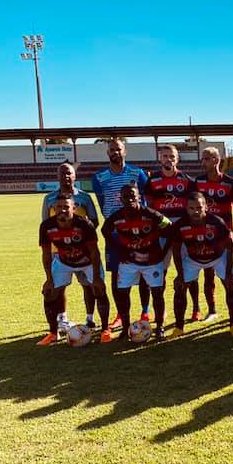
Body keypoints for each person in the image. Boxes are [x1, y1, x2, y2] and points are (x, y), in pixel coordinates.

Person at [91, 138, 149, 332]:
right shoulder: (99, 178)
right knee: (117, 274)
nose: (115, 152)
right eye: (112, 150)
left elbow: (146, 199)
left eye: (119, 149)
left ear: (125, 151)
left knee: (142, 272)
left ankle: (145, 312)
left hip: (139, 231)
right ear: (108, 153)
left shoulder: (137, 173)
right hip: (116, 233)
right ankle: (120, 314)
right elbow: (102, 204)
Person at [101, 183, 171, 341]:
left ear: (139, 196)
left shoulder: (151, 214)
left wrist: (162, 252)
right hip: (129, 261)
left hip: (151, 261)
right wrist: (119, 251)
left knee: (157, 293)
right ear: (121, 199)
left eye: (133, 195)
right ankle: (126, 328)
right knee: (122, 293)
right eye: (126, 196)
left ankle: (159, 327)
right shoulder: (116, 217)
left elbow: (170, 228)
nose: (130, 198)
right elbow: (105, 230)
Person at [37, 193, 109, 345]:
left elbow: (94, 253)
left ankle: (105, 330)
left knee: (99, 289)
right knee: (50, 293)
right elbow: (46, 254)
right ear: (53, 209)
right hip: (63, 261)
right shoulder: (46, 226)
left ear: (74, 208)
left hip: (87, 261)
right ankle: (53, 333)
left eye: (66, 207)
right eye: (58, 207)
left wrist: (96, 278)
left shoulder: (84, 224)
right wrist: (49, 279)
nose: (62, 210)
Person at [170, 192, 233, 338]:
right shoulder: (180, 225)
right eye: (191, 208)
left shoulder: (217, 223)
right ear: (186, 208)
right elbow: (177, 250)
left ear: (206, 207)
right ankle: (179, 328)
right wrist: (180, 274)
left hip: (218, 257)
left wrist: (229, 273)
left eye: (199, 207)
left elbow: (229, 248)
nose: (195, 211)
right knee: (179, 286)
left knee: (231, 284)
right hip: (193, 259)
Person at [41, 162, 101, 329]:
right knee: (60, 286)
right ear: (57, 176)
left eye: (69, 173)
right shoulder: (49, 199)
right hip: (57, 251)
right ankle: (62, 319)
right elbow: (46, 224)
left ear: (75, 176)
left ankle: (90, 318)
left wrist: (79, 239)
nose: (66, 176)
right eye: (62, 173)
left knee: (88, 285)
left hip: (83, 251)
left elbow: (94, 221)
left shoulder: (84, 197)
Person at [145, 144, 196, 333]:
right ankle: (162, 310)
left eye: (172, 156)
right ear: (160, 159)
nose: (169, 159)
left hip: (182, 231)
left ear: (177, 159)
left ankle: (195, 308)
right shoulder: (152, 181)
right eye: (165, 156)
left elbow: (192, 208)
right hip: (161, 232)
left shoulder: (187, 181)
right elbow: (149, 208)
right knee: (161, 271)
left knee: (189, 268)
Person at [193, 146, 233, 322]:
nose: (203, 162)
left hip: (223, 237)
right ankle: (212, 309)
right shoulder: (198, 182)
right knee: (208, 274)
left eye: (206, 159)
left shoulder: (230, 183)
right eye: (202, 159)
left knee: (228, 274)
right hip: (205, 235)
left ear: (216, 160)